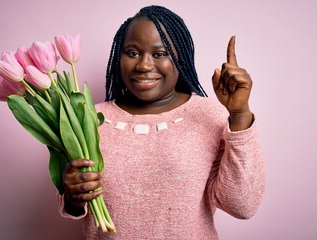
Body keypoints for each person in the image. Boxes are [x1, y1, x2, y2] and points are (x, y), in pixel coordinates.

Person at [57, 5, 266, 240]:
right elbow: (77, 205)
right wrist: (73, 198)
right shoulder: (89, 119)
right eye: (133, 52)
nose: (144, 65)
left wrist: (239, 116)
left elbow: (242, 206)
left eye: (159, 54)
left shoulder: (209, 115)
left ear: (181, 58)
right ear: (119, 56)